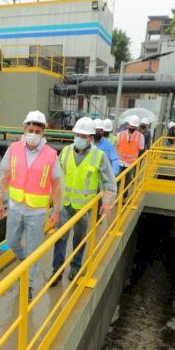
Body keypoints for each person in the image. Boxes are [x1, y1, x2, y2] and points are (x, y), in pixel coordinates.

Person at [0, 110, 63, 299]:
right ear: (24, 129)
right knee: (12, 241)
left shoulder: (51, 155)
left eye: (37, 130)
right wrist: (0, 200)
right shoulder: (14, 149)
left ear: (43, 133)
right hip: (16, 207)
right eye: (30, 129)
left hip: (37, 212)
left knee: (34, 250)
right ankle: (26, 263)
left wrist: (56, 212)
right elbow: (4, 175)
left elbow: (57, 185)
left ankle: (28, 285)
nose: (33, 133)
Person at [50, 117, 117, 286]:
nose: (79, 138)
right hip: (65, 204)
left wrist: (107, 202)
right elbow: (57, 178)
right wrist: (53, 199)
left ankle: (75, 267)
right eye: (77, 134)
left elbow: (108, 181)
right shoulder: (65, 151)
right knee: (60, 238)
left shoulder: (99, 156)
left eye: (83, 135)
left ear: (90, 138)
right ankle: (57, 271)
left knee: (79, 238)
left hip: (84, 207)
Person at [115, 115, 145, 195]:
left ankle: (124, 196)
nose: (132, 128)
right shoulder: (120, 134)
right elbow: (116, 146)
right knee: (117, 179)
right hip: (120, 161)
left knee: (127, 180)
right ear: (128, 125)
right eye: (131, 126)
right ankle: (116, 195)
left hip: (131, 163)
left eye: (134, 126)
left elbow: (141, 148)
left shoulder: (140, 136)